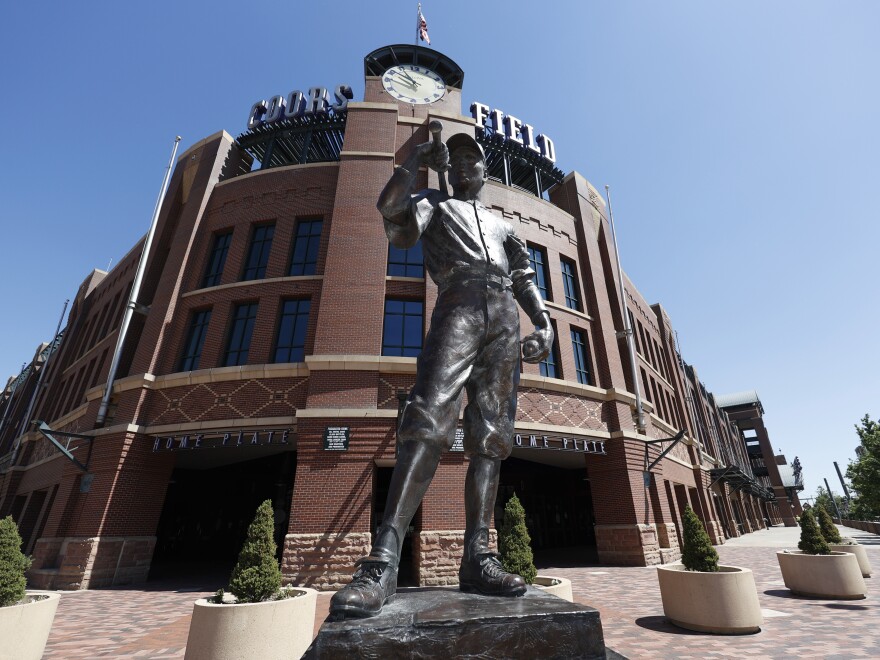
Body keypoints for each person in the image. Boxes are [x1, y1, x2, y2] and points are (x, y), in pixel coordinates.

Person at [329, 128, 554, 619]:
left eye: (472, 161)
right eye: (456, 161)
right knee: (427, 419)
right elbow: (392, 216)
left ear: (484, 171)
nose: (463, 167)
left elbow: (522, 276)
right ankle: (384, 560)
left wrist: (543, 321)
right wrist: (413, 163)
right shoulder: (433, 202)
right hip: (459, 305)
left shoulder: (500, 224)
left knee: (492, 437)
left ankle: (478, 556)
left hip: (503, 319)